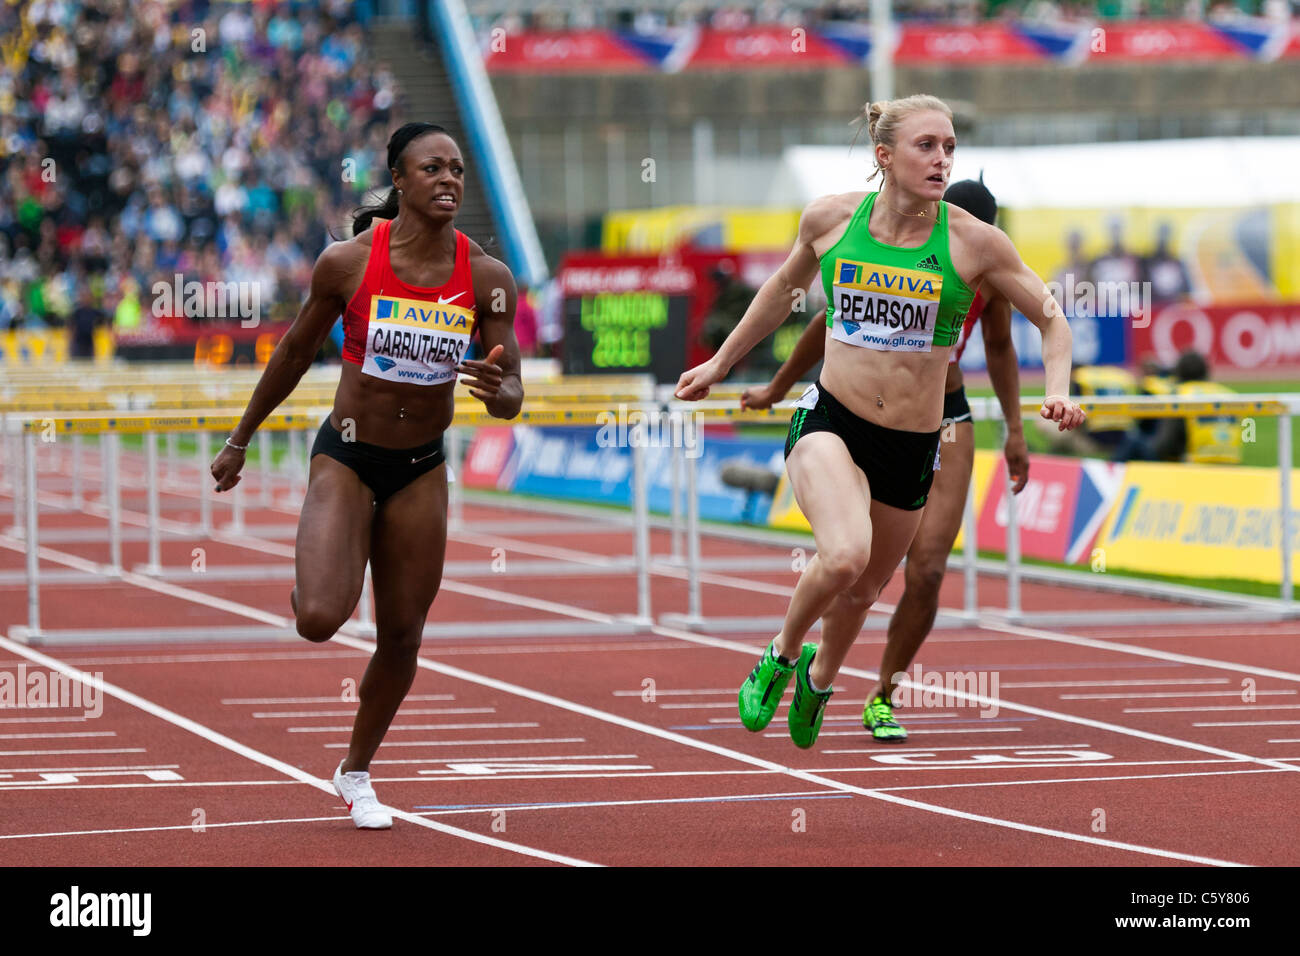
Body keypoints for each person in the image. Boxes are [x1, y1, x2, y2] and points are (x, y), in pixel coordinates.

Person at [674, 94, 1085, 750]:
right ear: (885, 156)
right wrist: (722, 362)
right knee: (843, 555)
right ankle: (780, 655)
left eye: (949, 147)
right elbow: (784, 294)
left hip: (915, 441)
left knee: (866, 591)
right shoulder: (832, 220)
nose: (942, 159)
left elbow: (1052, 317)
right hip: (832, 419)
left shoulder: (975, 243)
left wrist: (1057, 391)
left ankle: (822, 676)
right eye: (927, 146)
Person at [209, 122, 523, 826]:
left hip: (421, 469)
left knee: (403, 636)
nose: (449, 181)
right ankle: (316, 577)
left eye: (458, 171)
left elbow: (512, 392)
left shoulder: (489, 280)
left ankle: (356, 771)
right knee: (320, 618)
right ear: (400, 181)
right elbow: (292, 354)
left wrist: (501, 393)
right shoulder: (347, 264)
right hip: (348, 453)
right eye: (433, 169)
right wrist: (240, 439)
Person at [739, 177, 1029, 743]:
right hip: (859, 411)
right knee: (852, 561)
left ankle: (883, 695)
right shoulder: (907, 250)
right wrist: (777, 388)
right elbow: (828, 325)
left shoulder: (990, 271)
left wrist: (1016, 430)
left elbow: (999, 346)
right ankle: (798, 663)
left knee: (927, 571)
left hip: (943, 419)